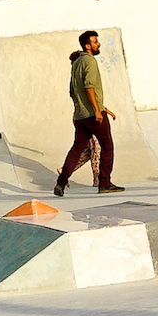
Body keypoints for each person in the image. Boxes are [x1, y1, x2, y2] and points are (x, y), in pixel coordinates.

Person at [54, 30, 126, 196]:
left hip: (80, 116)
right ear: (88, 46)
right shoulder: (90, 62)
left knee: (77, 148)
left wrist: (100, 107)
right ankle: (105, 183)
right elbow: (89, 87)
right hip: (93, 115)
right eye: (95, 42)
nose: (98, 44)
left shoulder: (76, 63)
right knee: (107, 145)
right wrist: (97, 110)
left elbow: (72, 90)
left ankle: (61, 182)